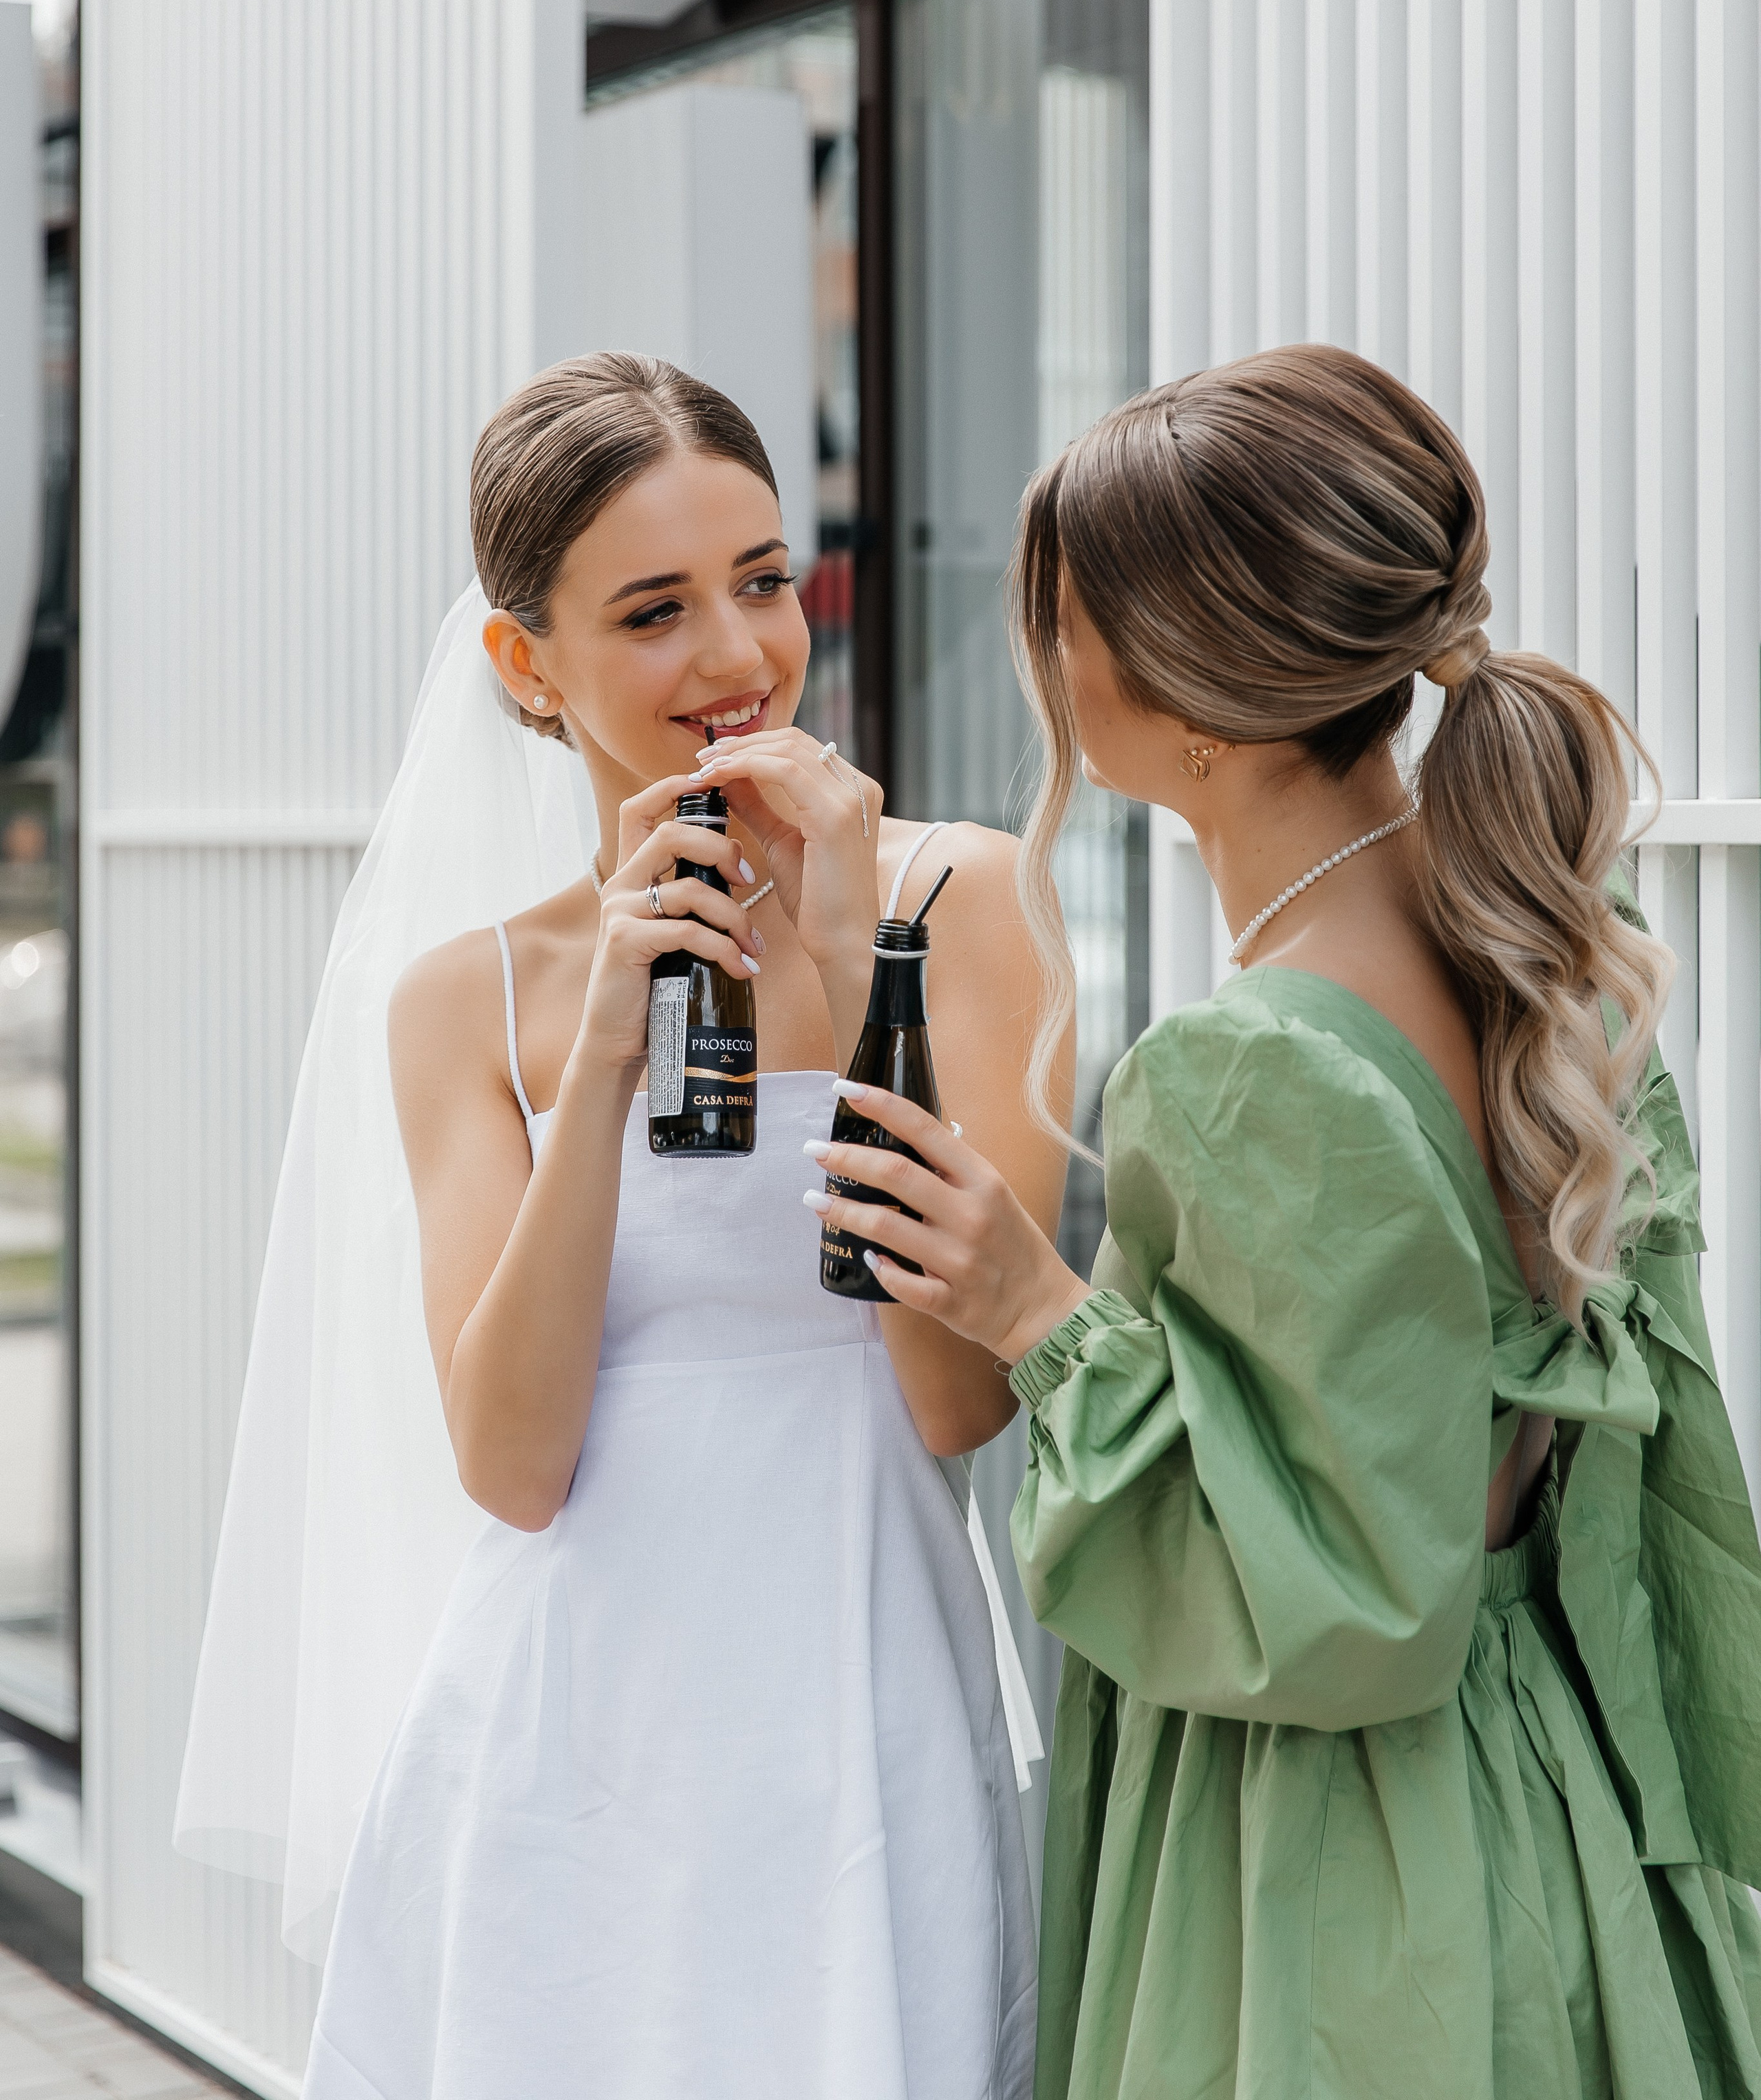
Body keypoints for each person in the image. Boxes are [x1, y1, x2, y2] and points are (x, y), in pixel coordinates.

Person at [810, 347, 1761, 2100]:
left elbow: (1342, 1593)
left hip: (1332, 1850)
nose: (1046, 660)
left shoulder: (1252, 1064)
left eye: (1067, 621)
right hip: (1547, 1781)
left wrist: (1033, 1310)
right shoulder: (1537, 924)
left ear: (1191, 704)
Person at [177, 354, 1061, 2100]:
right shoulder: (467, 1000)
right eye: (655, 612)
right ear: (528, 667)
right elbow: (515, 1466)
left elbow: (959, 1400)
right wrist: (596, 1059)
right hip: (562, 1762)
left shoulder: (959, 902)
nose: (737, 656)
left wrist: (844, 962)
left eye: (761, 582)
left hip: (858, 1717)